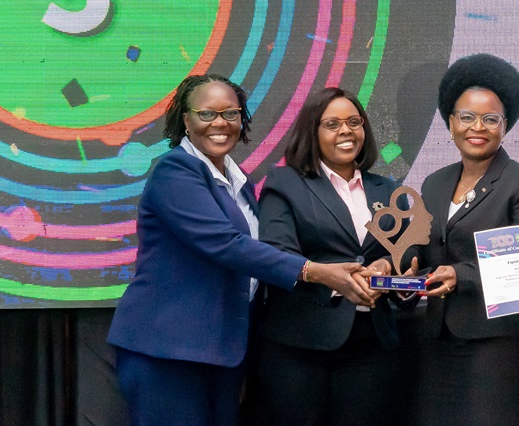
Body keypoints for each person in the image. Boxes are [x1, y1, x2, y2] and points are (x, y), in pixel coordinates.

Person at [108, 75, 376, 425]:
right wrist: (319, 272)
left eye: (231, 113)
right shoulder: (175, 170)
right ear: (185, 121)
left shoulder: (240, 182)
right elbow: (227, 245)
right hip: (169, 350)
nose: (220, 123)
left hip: (224, 350)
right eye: (207, 114)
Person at [246, 87, 408, 425]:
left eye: (353, 121)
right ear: (312, 131)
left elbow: (408, 249)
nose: (346, 130)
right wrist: (335, 279)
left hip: (372, 347)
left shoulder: (388, 189)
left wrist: (387, 266)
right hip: (300, 347)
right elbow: (277, 252)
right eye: (332, 124)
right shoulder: (285, 182)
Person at [414, 53, 519, 425]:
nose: (477, 127)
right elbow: (421, 248)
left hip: (501, 344)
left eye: (490, 119)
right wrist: (395, 267)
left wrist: (458, 276)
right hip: (438, 342)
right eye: (466, 117)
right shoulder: (434, 183)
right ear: (450, 122)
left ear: (504, 125)